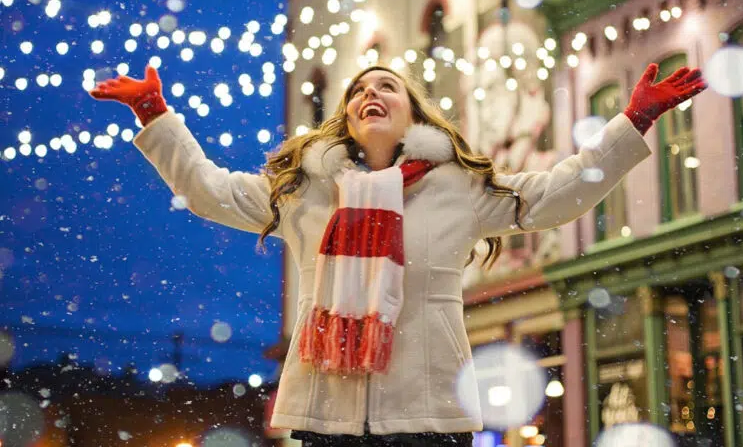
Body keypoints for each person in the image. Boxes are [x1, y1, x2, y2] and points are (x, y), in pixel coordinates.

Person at [90, 62, 706, 446]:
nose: (369, 94)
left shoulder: (460, 189)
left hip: (430, 413)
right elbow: (208, 190)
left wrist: (634, 121)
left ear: (412, 113)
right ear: (348, 119)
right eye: (358, 91)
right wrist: (154, 112)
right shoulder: (305, 192)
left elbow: (555, 195)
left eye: (386, 87)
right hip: (328, 413)